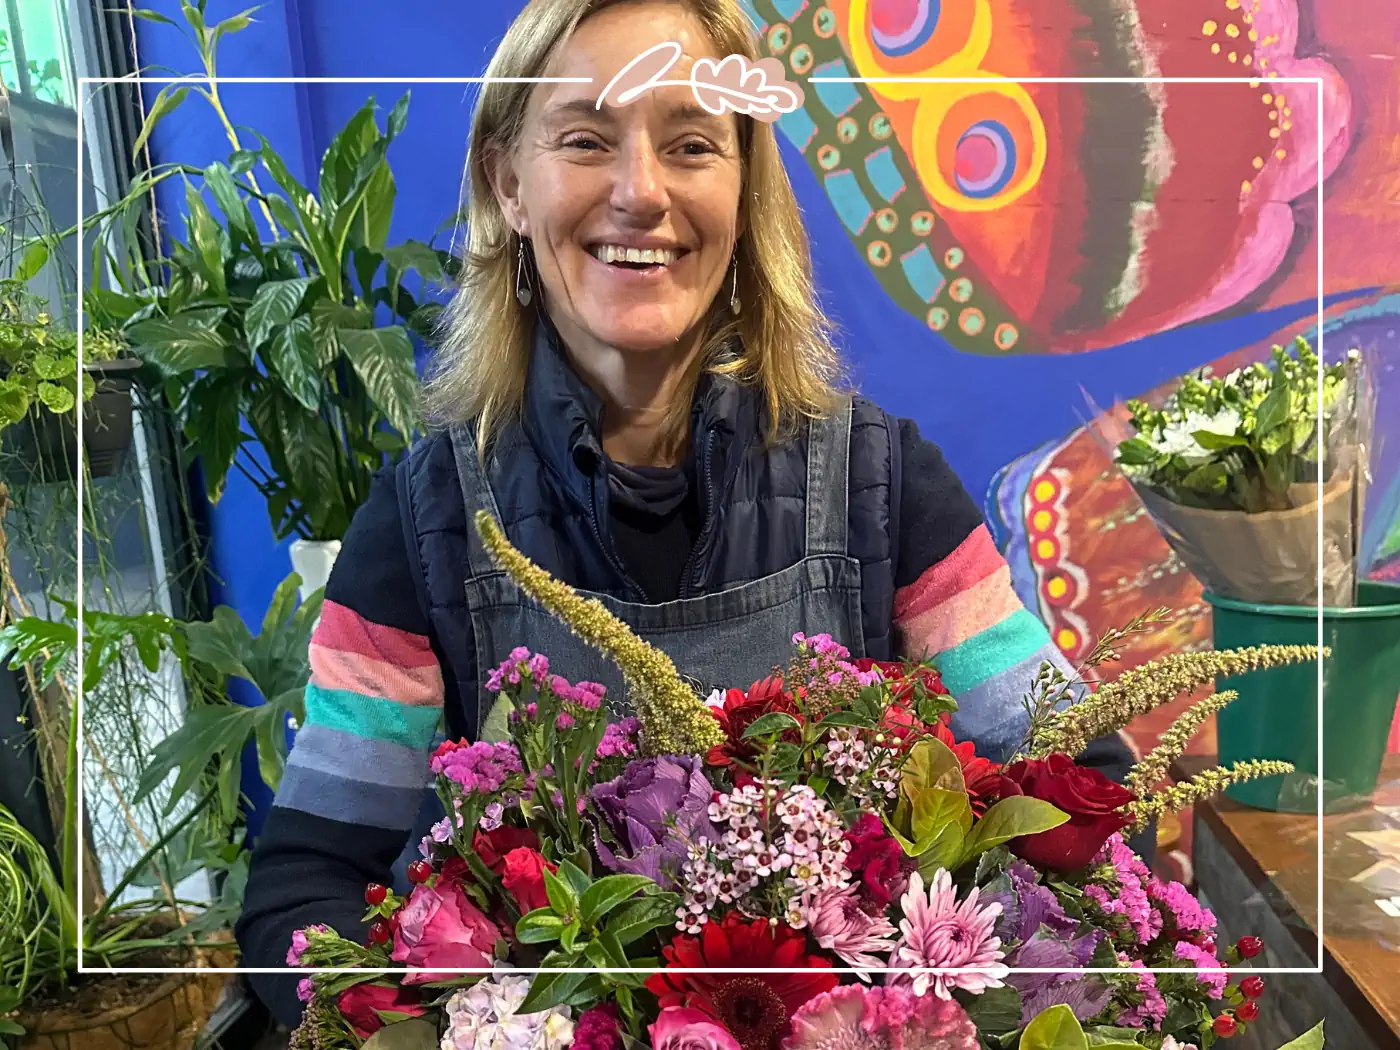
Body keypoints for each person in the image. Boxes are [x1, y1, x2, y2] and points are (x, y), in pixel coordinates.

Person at [237, 0, 1143, 1024]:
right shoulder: (421, 528)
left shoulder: (880, 489)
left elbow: (1086, 793)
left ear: (744, 187)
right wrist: (443, 1023)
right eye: (583, 139)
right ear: (507, 182)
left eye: (691, 144)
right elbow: (301, 892)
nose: (639, 192)